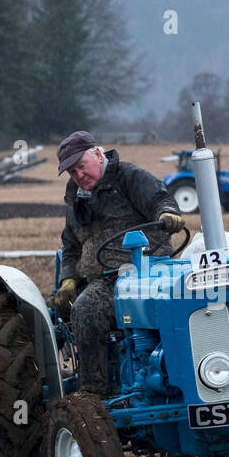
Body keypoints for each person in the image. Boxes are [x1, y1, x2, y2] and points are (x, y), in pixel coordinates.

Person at [50, 131, 182, 394]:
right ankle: (96, 396)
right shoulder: (76, 198)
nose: (78, 175)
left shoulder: (129, 177)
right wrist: (68, 280)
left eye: (80, 166)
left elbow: (159, 200)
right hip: (106, 279)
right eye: (72, 172)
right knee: (84, 308)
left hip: (147, 271)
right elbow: (71, 245)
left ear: (98, 154)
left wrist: (168, 214)